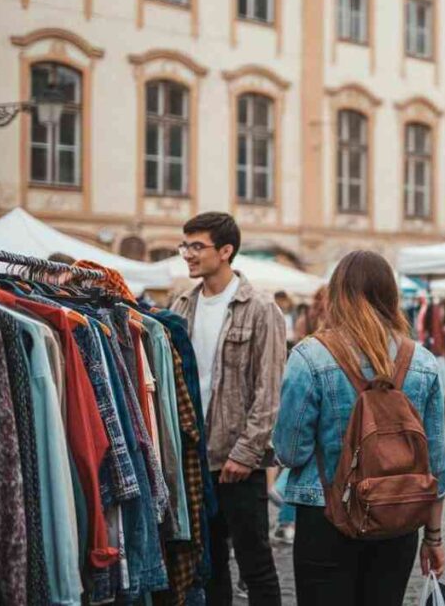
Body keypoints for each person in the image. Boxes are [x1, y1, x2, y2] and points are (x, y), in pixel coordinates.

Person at [273, 251, 445, 606]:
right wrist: (433, 538)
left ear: (336, 294)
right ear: (391, 296)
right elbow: (436, 466)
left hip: (325, 512)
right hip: (397, 514)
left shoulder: (310, 356)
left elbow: (291, 452)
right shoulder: (422, 361)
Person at [170, 212, 285, 606]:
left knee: (256, 567)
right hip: (194, 461)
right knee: (210, 566)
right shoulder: (181, 306)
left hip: (239, 464)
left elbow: (269, 392)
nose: (187, 254)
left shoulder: (260, 308)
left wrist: (246, 453)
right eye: (185, 245)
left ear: (226, 251)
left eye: (196, 246)